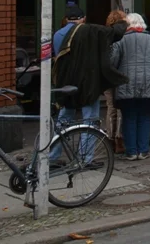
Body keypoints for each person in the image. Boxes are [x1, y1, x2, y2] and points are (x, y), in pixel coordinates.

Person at [51, 12, 128, 166]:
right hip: (87, 82)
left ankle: (52, 156)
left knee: (63, 120)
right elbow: (115, 33)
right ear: (84, 18)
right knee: (90, 120)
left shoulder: (58, 34)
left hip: (67, 82)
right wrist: (125, 21)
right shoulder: (89, 30)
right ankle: (85, 158)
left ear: (66, 19)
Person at [110, 13, 150, 160]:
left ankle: (131, 151)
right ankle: (143, 150)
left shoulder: (120, 40)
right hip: (148, 82)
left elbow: (113, 62)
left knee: (129, 117)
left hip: (125, 83)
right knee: (144, 116)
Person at [104, 10, 129, 154]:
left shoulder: (105, 34)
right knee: (119, 109)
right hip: (118, 75)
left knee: (111, 108)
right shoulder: (122, 35)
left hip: (107, 76)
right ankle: (119, 138)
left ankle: (110, 138)